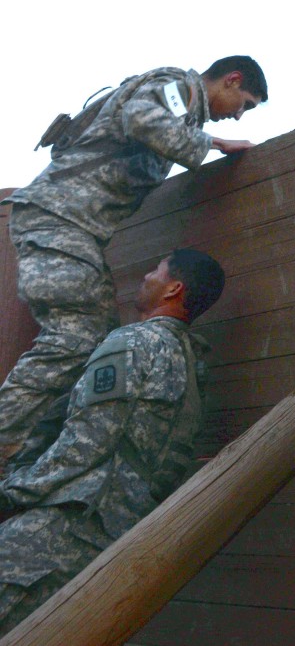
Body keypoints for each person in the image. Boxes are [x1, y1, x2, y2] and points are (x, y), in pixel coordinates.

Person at [0, 57, 266, 473]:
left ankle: (26, 457)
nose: (237, 115)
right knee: (75, 337)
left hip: (73, 228)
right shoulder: (182, 88)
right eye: (244, 103)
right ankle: (6, 444)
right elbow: (143, 118)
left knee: (96, 342)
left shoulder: (185, 110)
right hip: (59, 220)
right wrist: (212, 145)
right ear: (232, 80)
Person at [0, 247, 224, 634]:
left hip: (65, 527)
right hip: (118, 540)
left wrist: (13, 492)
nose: (145, 277)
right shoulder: (190, 364)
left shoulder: (132, 343)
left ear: (173, 289)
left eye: (155, 269)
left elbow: (86, 441)